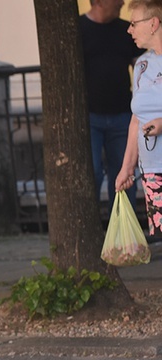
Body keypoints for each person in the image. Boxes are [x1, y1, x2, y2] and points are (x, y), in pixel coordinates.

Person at [80, 0, 144, 211]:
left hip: (123, 114)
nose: (122, 2)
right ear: (98, 1)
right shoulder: (78, 29)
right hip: (89, 116)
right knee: (93, 172)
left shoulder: (126, 30)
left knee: (124, 173)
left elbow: (140, 67)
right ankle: (94, 224)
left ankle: (123, 227)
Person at [117, 0, 162, 235]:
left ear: (153, 23)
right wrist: (127, 168)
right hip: (152, 170)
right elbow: (137, 119)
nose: (129, 29)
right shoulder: (142, 65)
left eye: (134, 23)